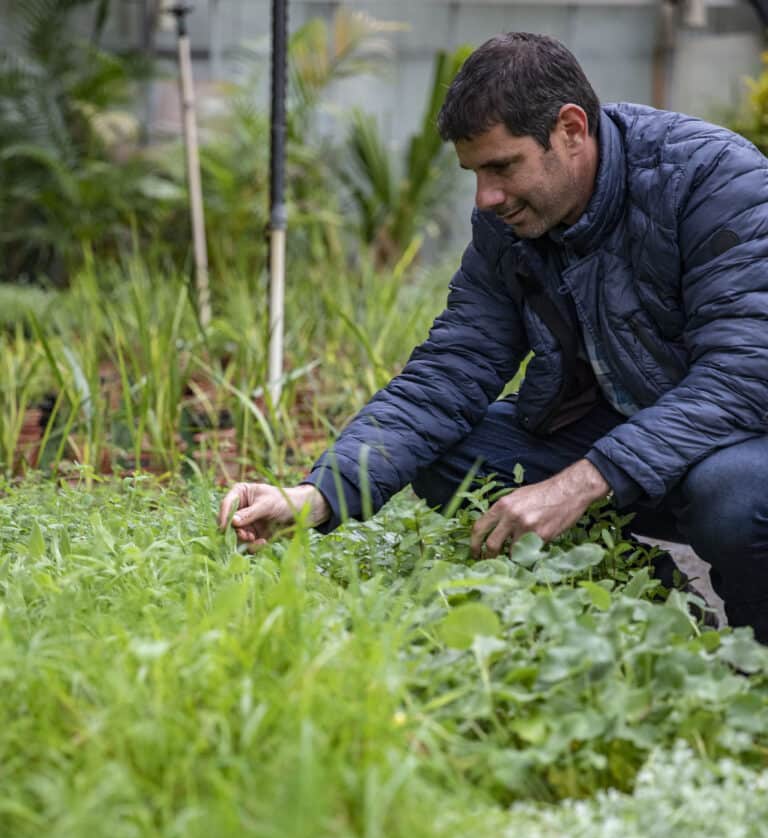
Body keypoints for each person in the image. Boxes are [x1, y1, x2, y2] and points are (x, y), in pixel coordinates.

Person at [219, 32, 768, 642]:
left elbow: (743, 378)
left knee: (734, 498)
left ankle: (754, 669)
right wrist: (315, 496)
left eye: (502, 167)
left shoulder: (716, 182)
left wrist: (578, 484)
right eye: (476, 173)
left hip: (739, 438)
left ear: (571, 129)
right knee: (445, 454)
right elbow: (450, 370)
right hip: (630, 435)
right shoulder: (512, 222)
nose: (486, 198)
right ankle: (654, 615)